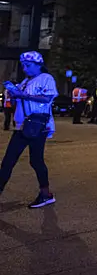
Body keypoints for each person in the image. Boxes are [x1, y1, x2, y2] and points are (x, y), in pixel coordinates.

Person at [0, 51, 57, 208]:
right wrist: (13, 94)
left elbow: (47, 98)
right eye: (23, 65)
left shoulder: (46, 78)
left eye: (28, 65)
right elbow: (19, 99)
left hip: (38, 126)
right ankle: (45, 195)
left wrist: (23, 96)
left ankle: (45, 194)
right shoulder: (26, 81)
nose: (24, 68)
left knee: (34, 161)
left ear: (39, 65)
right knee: (10, 161)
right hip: (23, 126)